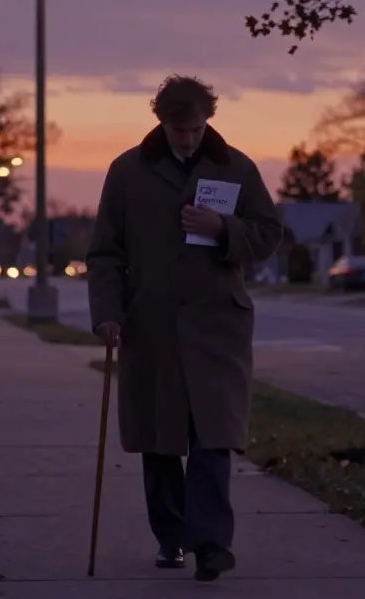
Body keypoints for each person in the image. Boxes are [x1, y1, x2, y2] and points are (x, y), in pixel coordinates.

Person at [86, 75, 284, 582]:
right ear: (161, 122)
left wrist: (224, 230)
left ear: (208, 120)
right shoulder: (128, 172)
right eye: (179, 131)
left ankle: (212, 544)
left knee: (214, 437)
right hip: (150, 325)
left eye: (196, 129)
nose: (189, 139)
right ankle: (171, 537)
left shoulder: (235, 167)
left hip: (218, 325)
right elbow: (106, 252)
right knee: (160, 439)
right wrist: (108, 313)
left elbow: (269, 234)